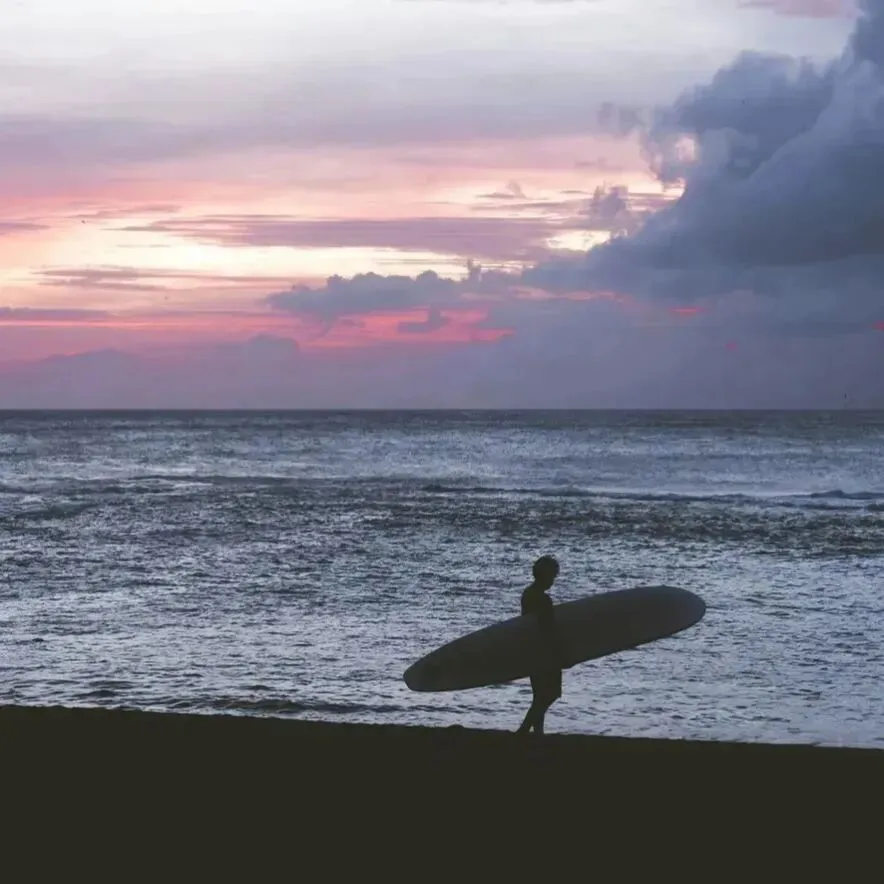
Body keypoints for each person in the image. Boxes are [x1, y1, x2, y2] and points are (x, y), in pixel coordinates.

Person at [516, 555, 567, 736]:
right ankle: (523, 730)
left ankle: (538, 733)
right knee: (550, 694)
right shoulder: (543, 600)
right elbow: (548, 629)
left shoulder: (528, 594)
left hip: (531, 649)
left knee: (540, 695)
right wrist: (561, 653)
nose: (553, 580)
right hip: (545, 652)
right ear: (545, 575)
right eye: (553, 575)